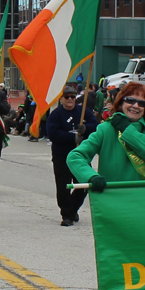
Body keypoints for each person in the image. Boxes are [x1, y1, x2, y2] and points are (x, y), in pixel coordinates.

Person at [67, 81, 145, 290]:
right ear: (120, 102)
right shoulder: (105, 130)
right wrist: (92, 176)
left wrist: (126, 129)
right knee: (119, 268)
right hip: (114, 208)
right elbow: (76, 157)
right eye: (130, 100)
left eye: (141, 102)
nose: (135, 106)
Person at [46, 85, 98, 226]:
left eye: (73, 97)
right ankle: (66, 215)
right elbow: (53, 133)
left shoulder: (83, 112)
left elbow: (96, 125)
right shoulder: (56, 115)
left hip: (81, 156)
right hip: (62, 156)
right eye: (67, 97)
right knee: (63, 187)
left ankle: (73, 208)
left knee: (84, 184)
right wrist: (72, 138)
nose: (70, 99)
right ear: (62, 99)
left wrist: (86, 128)